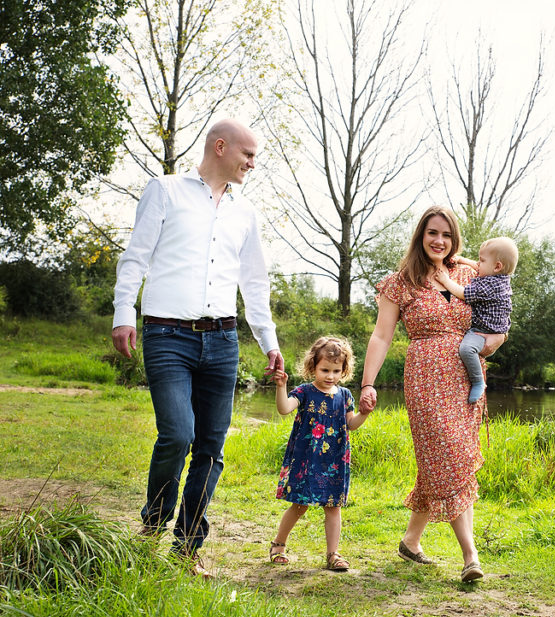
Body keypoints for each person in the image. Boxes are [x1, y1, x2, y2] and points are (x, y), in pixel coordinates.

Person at [111, 119, 283, 577]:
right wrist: (124, 313)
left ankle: (187, 546)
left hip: (223, 340)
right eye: (247, 154)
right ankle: (153, 525)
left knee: (211, 446)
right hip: (167, 335)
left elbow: (254, 281)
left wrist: (269, 342)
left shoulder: (245, 212)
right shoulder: (165, 191)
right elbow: (136, 255)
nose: (252, 164)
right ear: (220, 147)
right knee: (178, 434)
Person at [358, 206, 505, 583]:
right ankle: (471, 555)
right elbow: (381, 335)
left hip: (467, 378)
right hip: (425, 376)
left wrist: (496, 342)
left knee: (445, 459)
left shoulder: (469, 272)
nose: (439, 241)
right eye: (432, 233)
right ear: (420, 236)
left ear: (455, 240)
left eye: (447, 235)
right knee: (450, 454)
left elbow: (500, 306)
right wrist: (368, 383)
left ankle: (411, 540)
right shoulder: (400, 282)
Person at [268, 337, 371, 571]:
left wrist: (364, 413)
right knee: (299, 505)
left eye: (336, 371)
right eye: (325, 370)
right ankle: (279, 544)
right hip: (307, 459)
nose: (330, 376)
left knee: (333, 506)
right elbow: (284, 409)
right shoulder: (304, 391)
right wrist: (281, 386)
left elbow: (351, 424)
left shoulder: (344, 395)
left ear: (344, 370)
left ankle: (333, 554)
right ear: (313, 366)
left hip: (333, 459)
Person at [433, 236, 517, 403]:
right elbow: (480, 267)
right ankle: (478, 380)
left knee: (466, 350)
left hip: (484, 333)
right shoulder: (500, 277)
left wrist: (445, 280)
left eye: (481, 260)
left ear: (497, 266)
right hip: (491, 330)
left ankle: (478, 381)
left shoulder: (489, 285)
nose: (477, 264)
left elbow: (464, 294)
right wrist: (463, 260)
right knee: (467, 349)